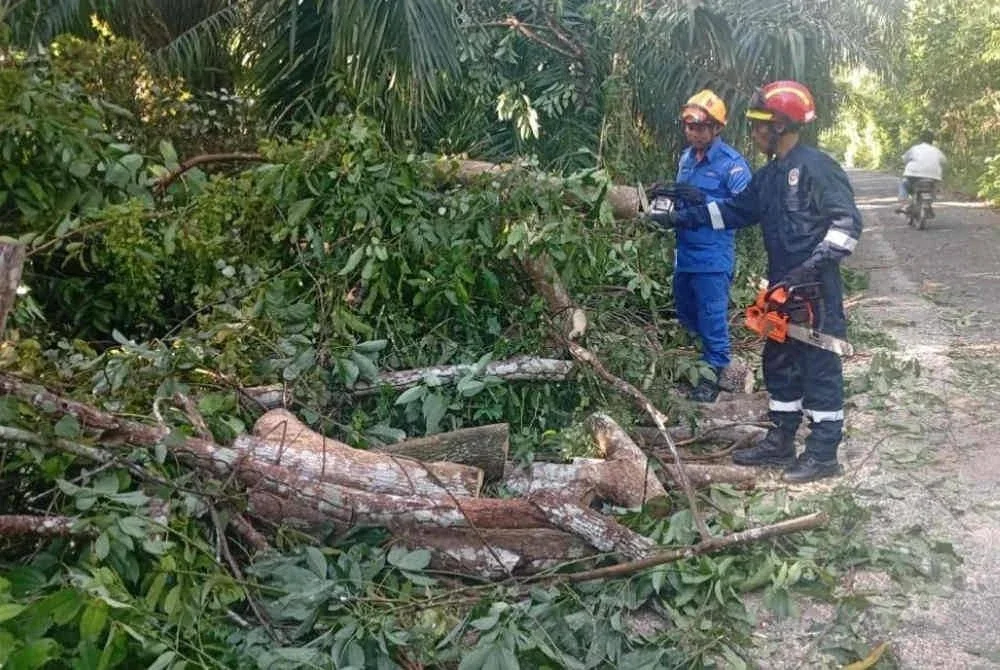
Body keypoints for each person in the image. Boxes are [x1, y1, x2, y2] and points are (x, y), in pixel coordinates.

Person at [649, 80, 863, 483]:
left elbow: (847, 224)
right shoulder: (769, 177)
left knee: (819, 366)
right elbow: (732, 212)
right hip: (780, 288)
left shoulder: (817, 167)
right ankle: (780, 441)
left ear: (779, 125)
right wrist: (680, 216)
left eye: (758, 124)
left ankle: (823, 453)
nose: (753, 132)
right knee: (777, 362)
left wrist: (813, 266)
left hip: (814, 291)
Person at [672, 90, 751, 402]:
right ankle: (701, 362)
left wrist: (704, 199)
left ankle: (713, 374)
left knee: (711, 316)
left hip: (712, 257)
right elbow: (682, 204)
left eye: (701, 128)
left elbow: (744, 210)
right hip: (685, 254)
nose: (694, 133)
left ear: (717, 128)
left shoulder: (732, 165)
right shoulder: (686, 160)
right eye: (689, 127)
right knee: (686, 311)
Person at [896, 130, 946, 215]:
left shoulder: (915, 149)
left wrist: (906, 162)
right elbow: (944, 161)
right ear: (932, 140)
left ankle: (904, 205)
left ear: (921, 139)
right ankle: (929, 203)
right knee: (933, 188)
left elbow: (904, 158)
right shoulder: (937, 151)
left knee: (904, 184)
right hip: (933, 177)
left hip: (914, 175)